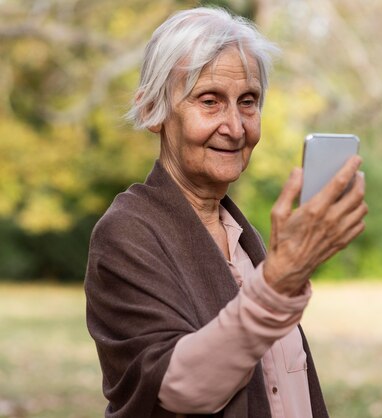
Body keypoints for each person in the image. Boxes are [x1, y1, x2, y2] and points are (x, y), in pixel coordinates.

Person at [84, 6, 367, 418]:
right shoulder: (126, 233)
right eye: (210, 101)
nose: (235, 127)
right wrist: (277, 285)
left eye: (248, 102)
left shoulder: (243, 235)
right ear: (152, 111)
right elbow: (178, 389)